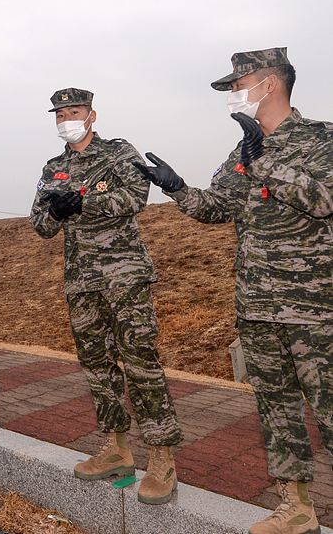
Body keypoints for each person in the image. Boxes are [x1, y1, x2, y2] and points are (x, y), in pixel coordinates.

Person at [135, 48, 333, 533]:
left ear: (270, 84)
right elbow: (216, 208)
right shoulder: (240, 151)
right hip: (257, 304)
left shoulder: (320, 138)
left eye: (238, 84)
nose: (232, 94)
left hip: (312, 307)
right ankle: (297, 508)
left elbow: (323, 200)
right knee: (277, 409)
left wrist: (265, 161)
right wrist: (178, 187)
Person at [29, 88, 183, 505]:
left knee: (140, 363)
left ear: (91, 115)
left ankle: (162, 456)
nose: (65, 119)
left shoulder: (118, 152)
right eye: (59, 114)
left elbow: (134, 197)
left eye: (73, 111)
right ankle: (117, 447)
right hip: (81, 281)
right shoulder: (53, 166)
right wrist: (57, 212)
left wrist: (80, 202)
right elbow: (39, 223)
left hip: (123, 275)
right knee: (97, 366)